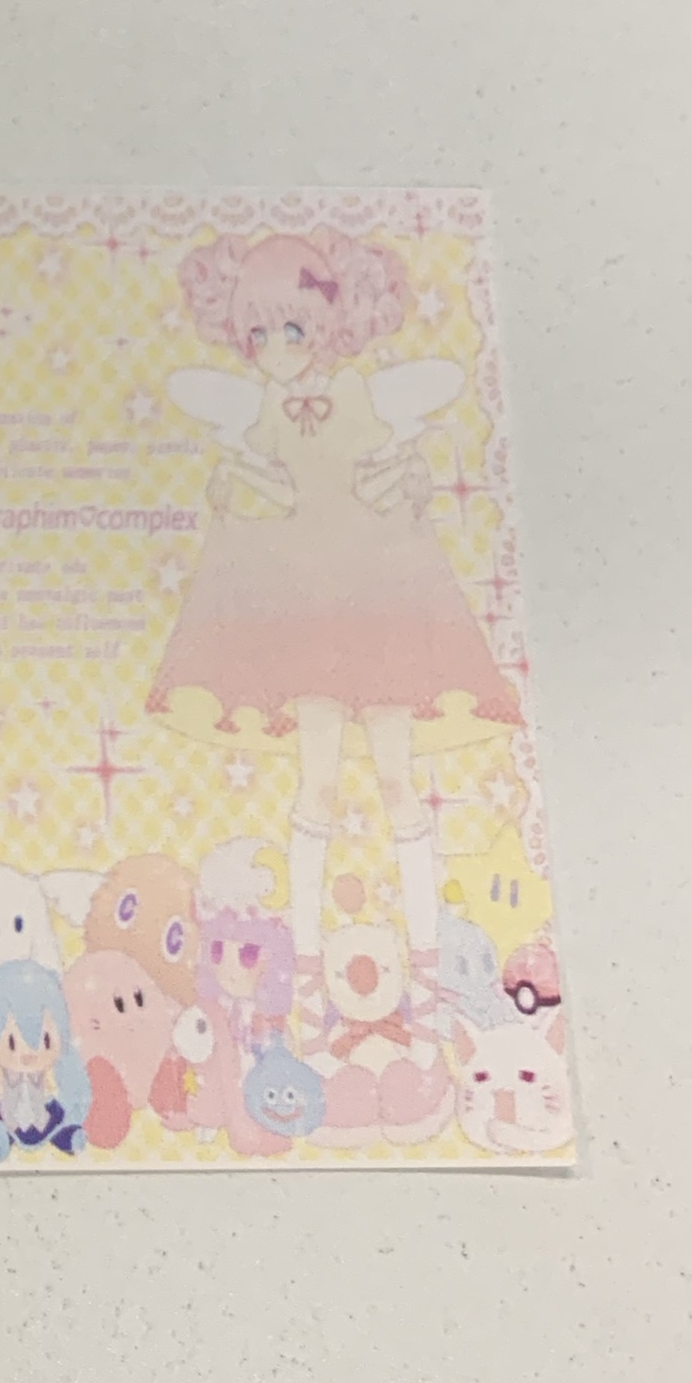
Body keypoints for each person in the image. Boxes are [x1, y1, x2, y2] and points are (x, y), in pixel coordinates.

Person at [147, 228, 520, 1019]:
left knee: (396, 780)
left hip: (377, 607)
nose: (278, 349)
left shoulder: (367, 398)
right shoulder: (259, 413)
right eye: (260, 333)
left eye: (295, 328)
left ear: (332, 324)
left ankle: (429, 958)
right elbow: (246, 485)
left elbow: (432, 410)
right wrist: (236, 489)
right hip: (307, 617)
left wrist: (407, 479)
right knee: (316, 782)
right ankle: (308, 965)